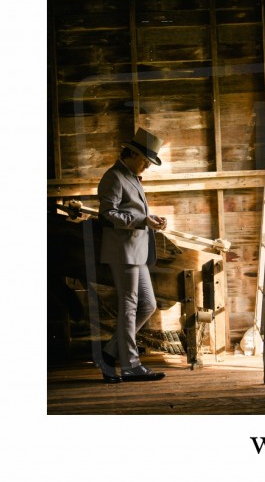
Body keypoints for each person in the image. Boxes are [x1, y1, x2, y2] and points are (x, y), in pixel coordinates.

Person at [95, 128, 168, 383]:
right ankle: (130, 366)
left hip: (137, 251)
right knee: (129, 306)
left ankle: (108, 353)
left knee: (147, 305)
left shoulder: (132, 177)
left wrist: (151, 219)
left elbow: (134, 212)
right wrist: (142, 220)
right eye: (146, 160)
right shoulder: (113, 177)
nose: (147, 166)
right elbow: (108, 214)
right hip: (122, 251)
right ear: (133, 153)